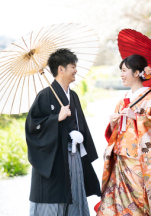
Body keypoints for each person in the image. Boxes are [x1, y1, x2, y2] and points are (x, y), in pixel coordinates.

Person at [26, 48, 101, 216]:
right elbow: (32, 127)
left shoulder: (73, 96)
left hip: (73, 155)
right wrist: (55, 119)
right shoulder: (44, 96)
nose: (76, 70)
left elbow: (79, 124)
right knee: (53, 201)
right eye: (73, 66)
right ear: (61, 69)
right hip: (54, 159)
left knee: (74, 197)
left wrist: (79, 137)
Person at [96, 54, 151, 216]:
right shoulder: (124, 99)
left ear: (137, 73)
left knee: (137, 206)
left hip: (138, 163)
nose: (121, 75)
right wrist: (113, 124)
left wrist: (137, 117)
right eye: (120, 71)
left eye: (124, 70)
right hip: (120, 160)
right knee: (114, 206)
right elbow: (116, 134)